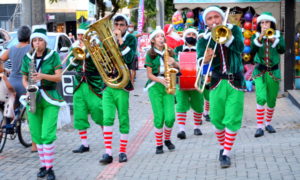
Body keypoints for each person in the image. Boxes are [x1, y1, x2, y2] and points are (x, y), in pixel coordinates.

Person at [197, 6, 245, 168]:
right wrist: (205, 58)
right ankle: (222, 147)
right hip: (217, 82)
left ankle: (225, 153)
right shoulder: (203, 39)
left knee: (232, 118)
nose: (214, 21)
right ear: (206, 23)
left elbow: (240, 48)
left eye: (216, 17)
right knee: (217, 118)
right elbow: (199, 61)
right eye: (209, 19)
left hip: (235, 81)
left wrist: (226, 37)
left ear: (222, 17)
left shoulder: (234, 30)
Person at [21, 24, 66, 180]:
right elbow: (24, 78)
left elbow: (59, 77)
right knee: (37, 134)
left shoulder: (53, 55)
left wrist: (42, 76)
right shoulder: (28, 57)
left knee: (47, 133)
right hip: (33, 97)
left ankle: (50, 168)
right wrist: (28, 88)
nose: (37, 43)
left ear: (45, 42)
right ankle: (43, 165)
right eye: (35, 40)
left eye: (40, 40)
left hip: (50, 97)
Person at [99, 14, 137, 164]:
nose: (118, 27)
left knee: (123, 118)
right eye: (116, 25)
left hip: (123, 85)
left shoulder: (131, 39)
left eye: (122, 25)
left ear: (126, 26)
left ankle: (122, 151)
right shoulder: (108, 39)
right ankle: (108, 153)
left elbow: (130, 59)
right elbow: (101, 59)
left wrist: (120, 41)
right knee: (107, 118)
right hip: (108, 84)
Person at [66, 24, 105, 153]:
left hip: (93, 83)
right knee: (79, 114)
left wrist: (89, 53)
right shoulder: (74, 47)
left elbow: (101, 64)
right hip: (78, 84)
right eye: (79, 35)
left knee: (98, 110)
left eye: (83, 35)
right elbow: (69, 67)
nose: (81, 37)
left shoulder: (96, 47)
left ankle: (107, 140)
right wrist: (76, 58)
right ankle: (84, 144)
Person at [0, 25, 38, 152]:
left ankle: (4, 128)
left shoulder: (11, 49)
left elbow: (0, 59)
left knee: (9, 110)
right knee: (32, 113)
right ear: (29, 37)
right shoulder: (31, 48)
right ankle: (34, 145)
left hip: (11, 84)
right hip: (25, 84)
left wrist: (3, 70)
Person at [144, 26, 179, 154]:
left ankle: (167, 139)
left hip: (169, 84)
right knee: (159, 117)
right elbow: (149, 75)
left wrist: (173, 62)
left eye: (162, 36)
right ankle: (159, 145)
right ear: (153, 40)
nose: (161, 38)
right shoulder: (150, 54)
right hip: (155, 86)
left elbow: (179, 67)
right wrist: (160, 80)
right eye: (158, 36)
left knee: (170, 117)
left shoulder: (169, 51)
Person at [250, 12, 285, 137]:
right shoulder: (255, 36)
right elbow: (252, 50)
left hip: (273, 72)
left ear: (272, 23)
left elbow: (282, 50)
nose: (265, 25)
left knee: (271, 100)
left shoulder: (278, 35)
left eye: (267, 22)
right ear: (260, 24)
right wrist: (260, 38)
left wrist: (274, 40)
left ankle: (268, 123)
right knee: (261, 97)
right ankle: (259, 126)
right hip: (259, 71)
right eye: (262, 22)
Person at [174, 28, 204, 139]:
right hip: (181, 81)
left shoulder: (201, 49)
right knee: (181, 104)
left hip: (197, 80)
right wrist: (176, 63)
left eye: (193, 34)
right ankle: (181, 130)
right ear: (184, 37)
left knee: (198, 104)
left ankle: (197, 127)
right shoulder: (178, 49)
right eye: (189, 34)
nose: (191, 36)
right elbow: (172, 62)